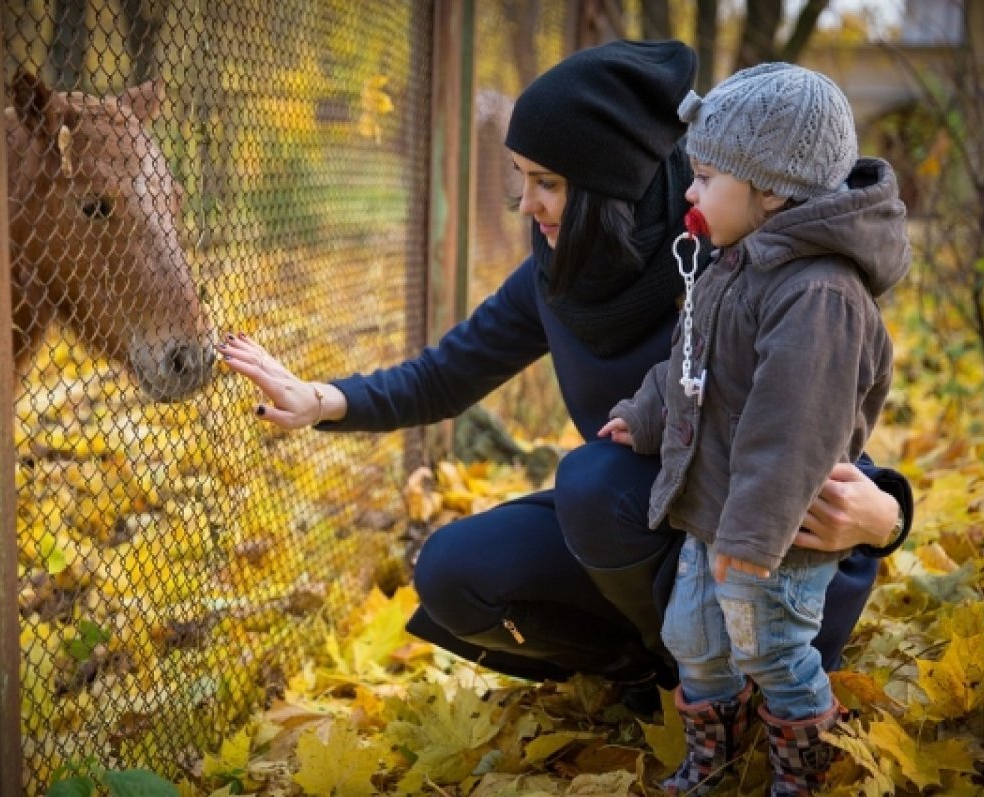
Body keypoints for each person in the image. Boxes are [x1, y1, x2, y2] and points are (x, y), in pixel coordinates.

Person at [217, 40, 912, 717]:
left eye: (547, 182)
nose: (525, 204)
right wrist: (318, 400)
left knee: (594, 480)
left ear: (611, 183)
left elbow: (812, 418)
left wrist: (888, 517)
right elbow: (446, 373)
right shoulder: (560, 274)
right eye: (521, 177)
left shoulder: (738, 244)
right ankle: (654, 672)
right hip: (653, 529)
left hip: (772, 553)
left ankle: (733, 678)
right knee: (453, 571)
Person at [602, 63, 910, 795]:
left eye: (706, 177)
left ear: (769, 189)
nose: (691, 193)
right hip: (716, 514)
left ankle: (802, 764)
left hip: (776, 531)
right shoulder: (736, 263)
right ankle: (717, 751)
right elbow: (691, 357)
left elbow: (792, 432)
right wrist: (647, 410)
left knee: (773, 646)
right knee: (692, 638)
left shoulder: (819, 294)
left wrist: (750, 538)